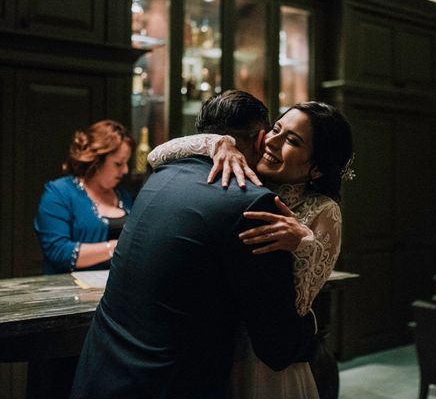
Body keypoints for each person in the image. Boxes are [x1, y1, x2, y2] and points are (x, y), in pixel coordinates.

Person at [70, 91, 318, 399]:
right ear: (259, 140)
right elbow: (277, 346)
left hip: (103, 370)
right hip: (170, 384)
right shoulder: (253, 203)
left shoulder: (161, 175)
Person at [147, 99, 355, 398]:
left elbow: (297, 304)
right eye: (276, 129)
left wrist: (303, 243)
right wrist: (219, 143)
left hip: (263, 355)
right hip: (215, 339)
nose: (271, 141)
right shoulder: (240, 170)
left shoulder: (324, 210)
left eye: (292, 141)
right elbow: (156, 156)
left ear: (318, 168)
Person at [34, 119, 135, 274]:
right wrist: (116, 247)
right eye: (118, 164)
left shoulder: (124, 196)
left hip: (116, 289)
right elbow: (59, 252)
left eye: (127, 163)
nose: (125, 170)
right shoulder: (59, 193)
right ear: (97, 161)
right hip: (69, 290)